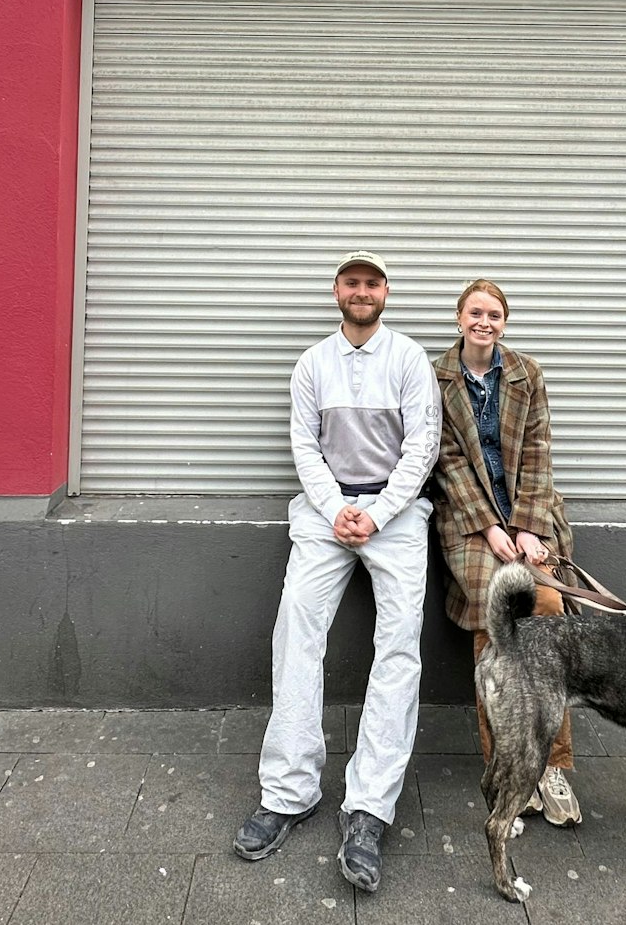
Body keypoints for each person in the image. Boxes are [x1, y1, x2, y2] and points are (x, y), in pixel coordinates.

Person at [233, 251, 440, 894]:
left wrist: (376, 514)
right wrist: (336, 509)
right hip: (326, 512)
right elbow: (303, 445)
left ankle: (369, 808)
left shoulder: (408, 359)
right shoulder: (312, 363)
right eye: (351, 282)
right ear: (336, 291)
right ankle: (289, 792)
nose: (361, 291)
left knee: (399, 644)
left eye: (371, 282)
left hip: (397, 514)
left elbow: (422, 445)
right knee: (296, 623)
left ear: (385, 293)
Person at [430, 278, 582, 826]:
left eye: (494, 314)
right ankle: (505, 769)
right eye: (475, 312)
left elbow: (539, 454)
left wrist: (528, 527)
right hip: (469, 525)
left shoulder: (526, 375)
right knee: (495, 618)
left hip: (530, 519)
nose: (484, 322)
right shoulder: (436, 377)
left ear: (504, 321)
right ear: (459, 318)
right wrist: (493, 528)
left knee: (544, 608)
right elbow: (445, 460)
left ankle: (551, 765)